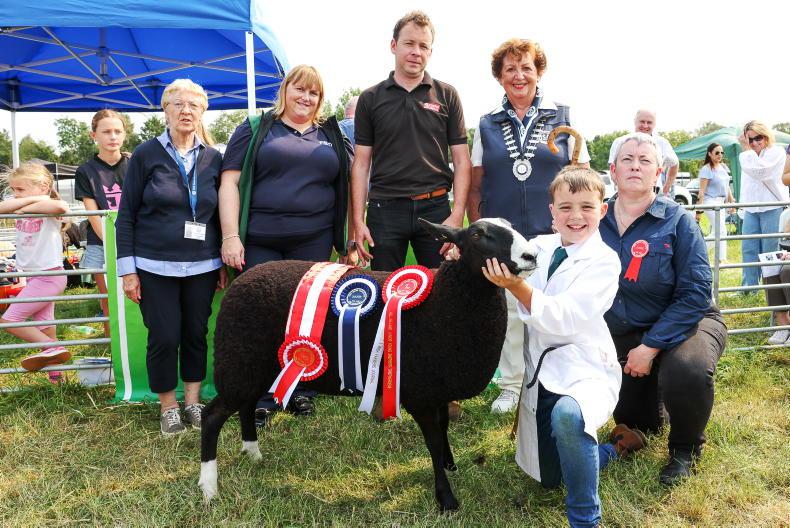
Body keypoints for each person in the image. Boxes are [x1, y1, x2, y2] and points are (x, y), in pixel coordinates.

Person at [482, 166, 645, 528]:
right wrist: (470, 247)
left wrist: (514, 286)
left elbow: (563, 318)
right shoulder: (540, 247)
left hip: (583, 369)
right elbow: (497, 239)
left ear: (603, 210)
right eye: (566, 206)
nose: (576, 216)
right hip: (541, 372)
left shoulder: (604, 261)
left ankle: (585, 518)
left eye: (587, 207)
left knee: (569, 418)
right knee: (550, 478)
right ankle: (615, 448)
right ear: (552, 211)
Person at [219, 64, 354, 426]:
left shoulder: (332, 134)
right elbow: (229, 183)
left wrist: (351, 236)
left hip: (314, 238)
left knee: (310, 315)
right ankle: (262, 395)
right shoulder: (254, 128)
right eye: (300, 89)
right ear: (285, 90)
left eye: (314, 93)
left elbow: (353, 185)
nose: (305, 98)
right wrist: (230, 235)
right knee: (264, 316)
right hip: (259, 240)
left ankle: (302, 391)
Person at [468, 38, 591, 414]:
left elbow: (584, 179)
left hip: (554, 235)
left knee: (552, 306)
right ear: (500, 78)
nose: (518, 76)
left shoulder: (564, 118)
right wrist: (479, 235)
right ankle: (511, 385)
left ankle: (558, 380)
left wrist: (580, 230)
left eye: (526, 68)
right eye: (510, 69)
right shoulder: (486, 125)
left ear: (539, 72)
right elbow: (475, 185)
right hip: (505, 240)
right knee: (508, 308)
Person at [600, 132, 728, 486]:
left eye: (645, 160)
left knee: (686, 370)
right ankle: (652, 410)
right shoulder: (594, 220)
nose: (635, 166)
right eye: (627, 159)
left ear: (658, 173)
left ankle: (685, 450)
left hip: (690, 320)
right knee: (637, 421)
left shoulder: (678, 220)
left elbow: (696, 292)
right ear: (612, 170)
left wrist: (651, 346)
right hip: (626, 327)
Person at [115, 79, 226, 436]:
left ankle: (193, 401)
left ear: (203, 112)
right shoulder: (145, 155)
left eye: (194, 105)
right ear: (165, 110)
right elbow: (126, 215)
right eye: (178, 104)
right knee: (163, 336)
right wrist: (128, 271)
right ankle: (168, 406)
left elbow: (221, 215)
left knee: (195, 333)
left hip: (203, 265)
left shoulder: (214, 159)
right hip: (153, 265)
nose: (186, 111)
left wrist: (222, 260)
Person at [351, 10, 471, 273]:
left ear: (430, 52)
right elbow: (361, 165)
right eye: (409, 43)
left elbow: (462, 161)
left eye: (423, 46)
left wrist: (456, 214)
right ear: (394, 45)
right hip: (385, 210)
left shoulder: (447, 95)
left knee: (443, 292)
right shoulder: (370, 99)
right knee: (384, 292)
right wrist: (358, 222)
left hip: (436, 208)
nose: (416, 51)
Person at [0, 162, 70, 382]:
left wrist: (25, 205)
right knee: (45, 326)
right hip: (34, 276)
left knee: (10, 321)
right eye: (13, 190)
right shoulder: (22, 202)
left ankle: (52, 348)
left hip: (50, 275)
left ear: (43, 186)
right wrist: (27, 201)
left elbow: (61, 208)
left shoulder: (51, 204)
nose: (15, 194)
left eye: (20, 189)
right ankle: (56, 379)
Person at [75, 109, 129, 337]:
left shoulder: (135, 163)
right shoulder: (85, 171)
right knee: (107, 297)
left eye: (118, 131)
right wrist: (112, 243)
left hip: (134, 241)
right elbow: (92, 213)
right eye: (106, 131)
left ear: (124, 134)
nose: (113, 136)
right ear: (93, 135)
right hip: (101, 243)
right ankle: (112, 344)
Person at [738, 120, 788, 287]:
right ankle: (749, 287)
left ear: (766, 135)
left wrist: (746, 149)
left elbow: (761, 172)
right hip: (751, 207)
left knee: (770, 249)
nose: (754, 143)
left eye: (757, 138)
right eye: (750, 139)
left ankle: (771, 287)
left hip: (773, 206)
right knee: (748, 249)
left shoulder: (777, 152)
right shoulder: (744, 155)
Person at [608, 109, 679, 197]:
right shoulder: (619, 142)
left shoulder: (662, 143)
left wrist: (666, 188)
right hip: (625, 195)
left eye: (649, 122)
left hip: (653, 195)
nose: (645, 126)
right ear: (635, 121)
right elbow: (612, 170)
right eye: (642, 121)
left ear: (654, 124)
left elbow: (675, 163)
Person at [695, 143, 735, 261]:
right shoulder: (706, 169)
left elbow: (726, 186)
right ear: (709, 154)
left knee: (721, 230)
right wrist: (698, 212)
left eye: (722, 152)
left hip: (721, 202)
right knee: (721, 230)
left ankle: (721, 259)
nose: (720, 155)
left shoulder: (723, 167)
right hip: (710, 201)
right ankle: (698, 253)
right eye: (717, 152)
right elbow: (701, 192)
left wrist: (731, 202)